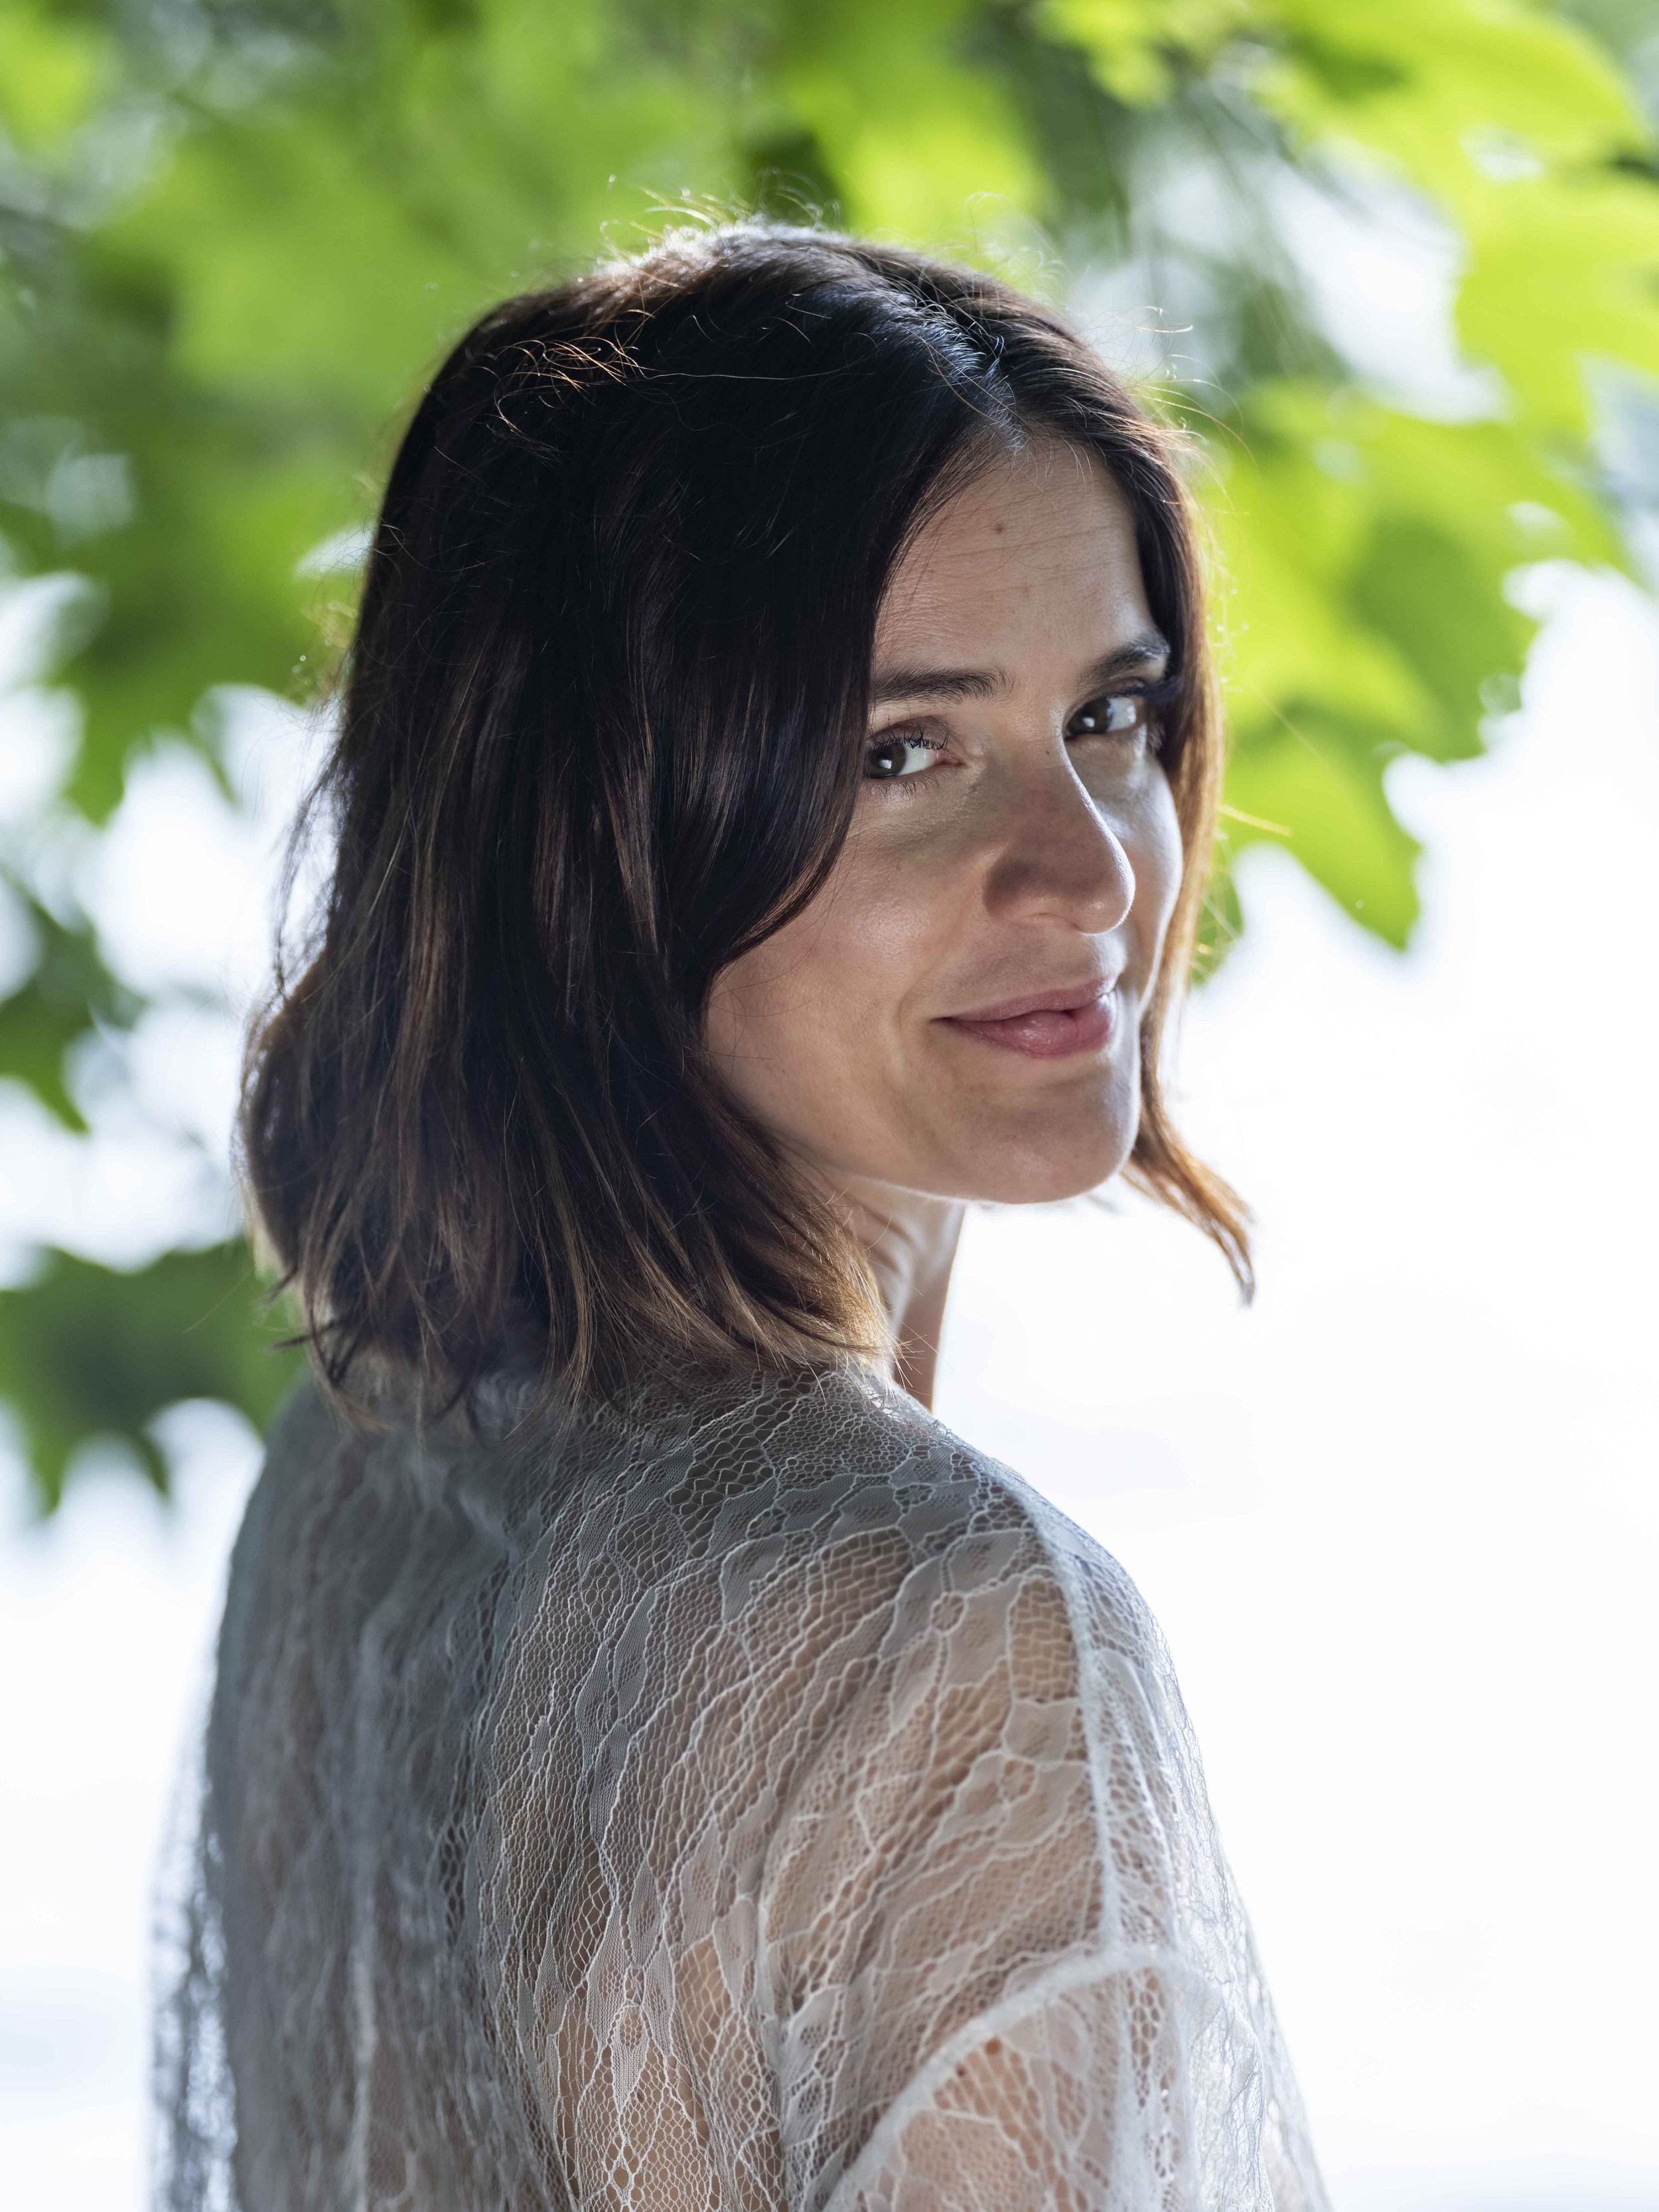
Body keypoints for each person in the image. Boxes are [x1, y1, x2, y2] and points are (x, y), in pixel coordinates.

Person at [156, 223, 1329, 2211]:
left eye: (1108, 720)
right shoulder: (954, 1625)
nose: (1086, 877)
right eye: (902, 752)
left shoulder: (373, 1462)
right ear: (594, 824)